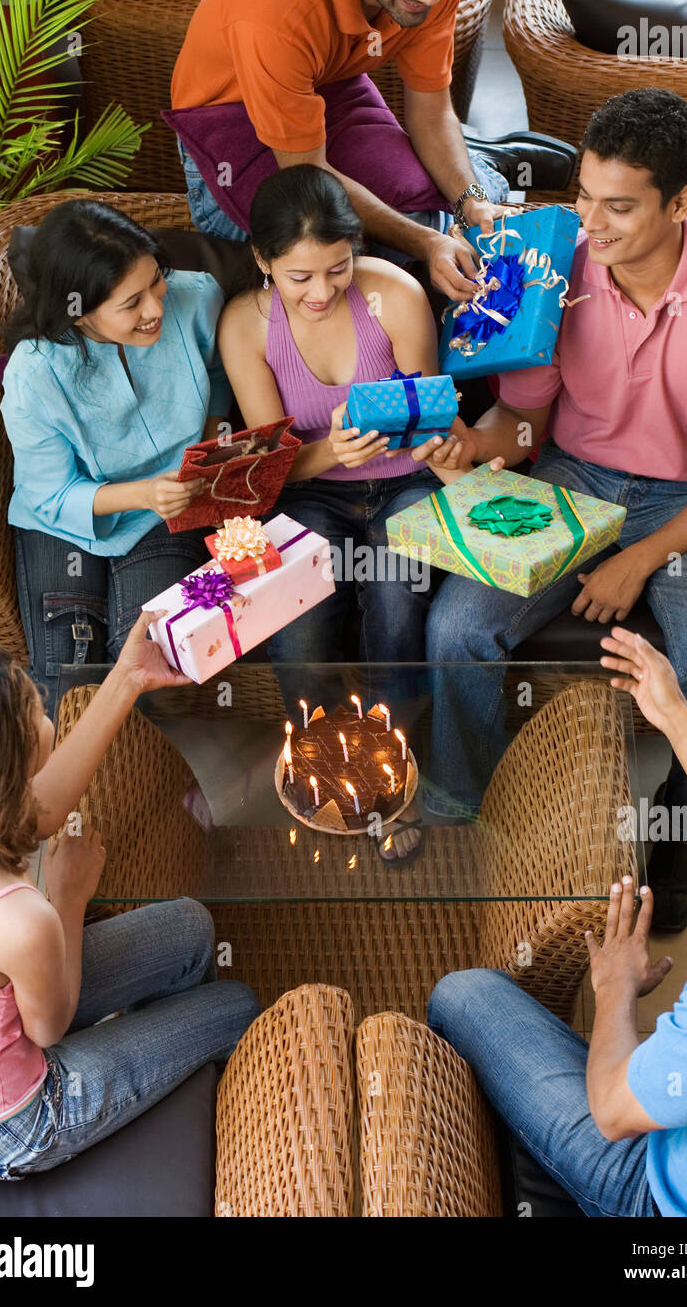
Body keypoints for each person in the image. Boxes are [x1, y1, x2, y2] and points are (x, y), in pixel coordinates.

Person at [423, 87, 687, 928]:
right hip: (570, 475)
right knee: (457, 630)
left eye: (620, 209)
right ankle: (469, 804)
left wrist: (641, 555)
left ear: (681, 205)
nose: (592, 227)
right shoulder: (553, 271)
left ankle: (682, 817)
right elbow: (525, 421)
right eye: (584, 199)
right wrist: (472, 444)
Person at [428, 627, 687, 1218]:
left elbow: (610, 1112)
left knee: (463, 992)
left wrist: (614, 989)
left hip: (670, 1196)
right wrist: (673, 708)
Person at [0, 613, 260, 1180]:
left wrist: (128, 677)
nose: (44, 708)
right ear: (5, 780)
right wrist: (67, 897)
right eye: (31, 710)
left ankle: (155, 1038)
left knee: (191, 928)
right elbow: (48, 1029)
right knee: (238, 1006)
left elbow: (42, 809)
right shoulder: (19, 918)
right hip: (4, 1123)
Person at [218, 164, 462, 860]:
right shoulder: (244, 325)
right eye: (299, 277)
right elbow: (273, 469)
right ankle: (318, 762)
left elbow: (432, 416)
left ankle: (392, 773)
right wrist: (333, 452)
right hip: (312, 490)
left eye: (338, 268)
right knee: (297, 619)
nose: (322, 291)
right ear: (264, 262)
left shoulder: (397, 295)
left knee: (395, 595)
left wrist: (433, 439)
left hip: (405, 482)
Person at [168, 0, 524, 301]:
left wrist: (470, 198)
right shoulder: (281, 14)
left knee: (440, 211)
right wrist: (427, 244)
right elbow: (307, 174)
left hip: (329, 86)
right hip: (228, 124)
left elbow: (433, 113)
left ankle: (478, 173)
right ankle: (483, 161)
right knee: (336, 259)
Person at [0, 199, 233, 715]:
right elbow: (50, 492)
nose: (155, 307)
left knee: (149, 663)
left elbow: (218, 373)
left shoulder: (197, 299)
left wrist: (212, 440)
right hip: (61, 522)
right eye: (132, 303)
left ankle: (143, 784)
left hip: (162, 516)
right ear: (78, 310)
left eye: (156, 280)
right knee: (70, 678)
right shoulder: (33, 375)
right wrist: (146, 491)